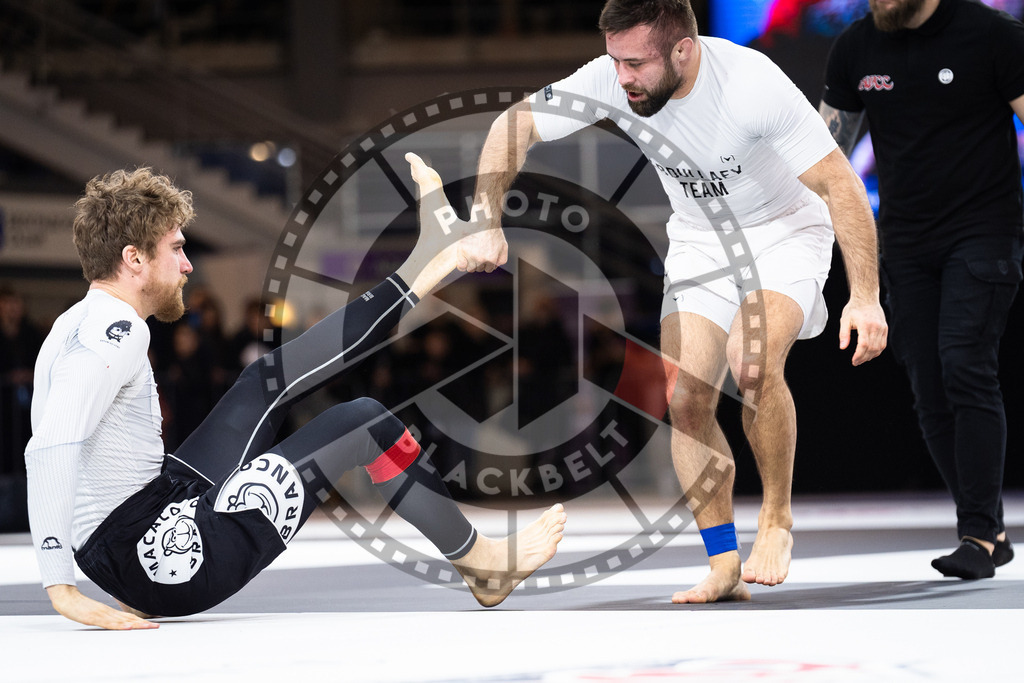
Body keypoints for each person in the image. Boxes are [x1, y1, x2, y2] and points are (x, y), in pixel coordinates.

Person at [458, 0, 888, 603]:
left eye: (635, 64)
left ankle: (777, 522)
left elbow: (841, 184)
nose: (622, 77)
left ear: (683, 50)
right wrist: (485, 218)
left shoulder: (752, 85)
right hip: (699, 237)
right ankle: (721, 563)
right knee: (685, 396)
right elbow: (516, 124)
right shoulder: (612, 79)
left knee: (754, 362)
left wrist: (865, 296)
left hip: (786, 229)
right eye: (615, 61)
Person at [25, 156, 566, 631]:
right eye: (177, 249)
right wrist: (60, 586)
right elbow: (50, 444)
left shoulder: (77, 322)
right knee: (362, 423)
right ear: (134, 258)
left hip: (143, 522)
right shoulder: (117, 332)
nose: (189, 266)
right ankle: (481, 563)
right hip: (148, 555)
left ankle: (428, 262)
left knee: (261, 382)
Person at [821, 0, 1023, 579]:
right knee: (929, 389)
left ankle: (978, 535)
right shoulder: (856, 47)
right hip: (904, 240)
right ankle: (991, 526)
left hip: (984, 230)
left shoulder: (992, 36)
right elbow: (825, 152)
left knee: (965, 363)